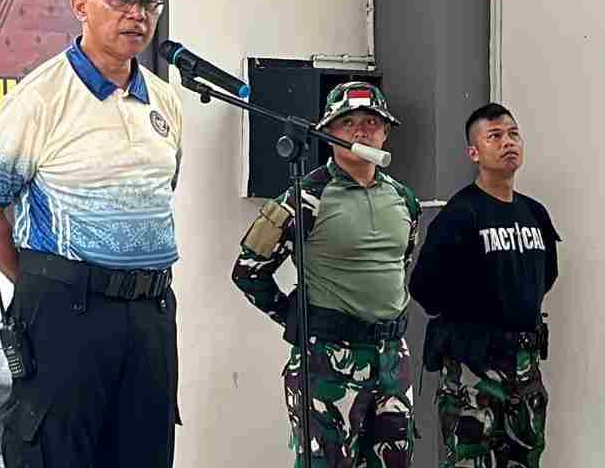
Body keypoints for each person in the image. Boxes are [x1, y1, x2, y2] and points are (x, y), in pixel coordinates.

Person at [0, 0, 184, 468]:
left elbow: (161, 193)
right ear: (81, 5)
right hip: (68, 312)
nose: (137, 14)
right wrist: (42, 281)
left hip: (150, 314)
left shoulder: (165, 99)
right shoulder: (40, 97)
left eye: (149, 2)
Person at [232, 81, 422, 467]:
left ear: (386, 132)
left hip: (391, 359)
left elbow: (402, 262)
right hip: (328, 362)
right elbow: (249, 272)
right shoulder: (305, 197)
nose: (361, 131)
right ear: (327, 131)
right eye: (348, 122)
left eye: (371, 122)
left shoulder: (404, 199)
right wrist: (297, 317)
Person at [408, 102, 559, 468]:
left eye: (513, 134)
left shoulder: (534, 213)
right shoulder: (461, 215)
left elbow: (546, 276)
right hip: (474, 368)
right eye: (494, 136)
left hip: (524, 369)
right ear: (474, 153)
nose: (508, 142)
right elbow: (424, 287)